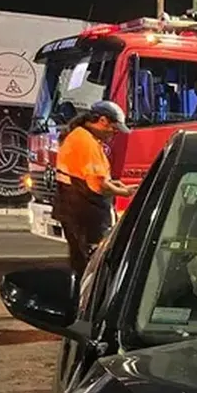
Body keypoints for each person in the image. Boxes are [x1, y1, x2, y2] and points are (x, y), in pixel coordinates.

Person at [54, 100, 134, 276]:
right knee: (92, 264)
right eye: (114, 128)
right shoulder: (86, 143)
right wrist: (126, 192)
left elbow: (90, 175)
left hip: (73, 208)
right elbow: (98, 185)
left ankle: (78, 296)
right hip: (85, 213)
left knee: (79, 262)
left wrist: (115, 183)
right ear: (103, 120)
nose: (115, 133)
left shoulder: (80, 136)